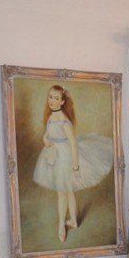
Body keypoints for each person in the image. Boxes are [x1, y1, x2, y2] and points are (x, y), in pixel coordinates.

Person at [32, 85, 114, 242]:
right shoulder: (51, 117)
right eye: (50, 97)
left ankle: (61, 224)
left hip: (65, 158)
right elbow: (47, 133)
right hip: (54, 156)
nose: (52, 101)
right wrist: (45, 139)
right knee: (68, 190)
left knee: (63, 191)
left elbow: (74, 144)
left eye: (56, 98)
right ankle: (73, 221)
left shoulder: (64, 121)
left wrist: (75, 167)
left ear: (62, 102)